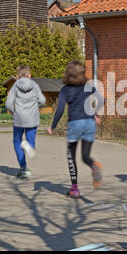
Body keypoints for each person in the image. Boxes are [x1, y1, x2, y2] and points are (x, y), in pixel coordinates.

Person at [47, 61, 104, 199]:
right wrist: (96, 114)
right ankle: (93, 166)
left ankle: (75, 189)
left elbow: (60, 109)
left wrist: (53, 126)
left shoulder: (65, 90)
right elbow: (101, 100)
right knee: (85, 156)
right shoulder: (88, 86)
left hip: (75, 124)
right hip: (90, 123)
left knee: (71, 156)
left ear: (68, 74)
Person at [6, 65, 46, 179]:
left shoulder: (15, 86)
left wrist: (14, 112)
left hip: (19, 119)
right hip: (32, 118)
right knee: (30, 141)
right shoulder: (35, 86)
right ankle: (27, 146)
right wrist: (36, 106)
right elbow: (43, 100)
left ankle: (23, 169)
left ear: (18, 76)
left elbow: (8, 104)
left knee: (16, 142)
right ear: (29, 76)